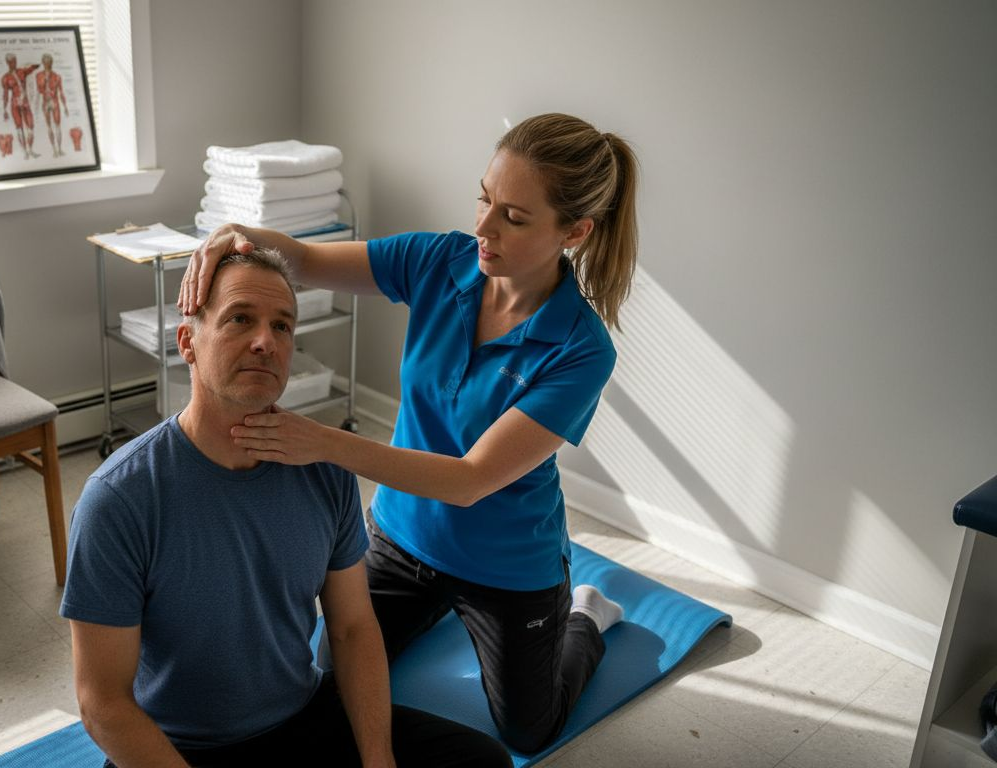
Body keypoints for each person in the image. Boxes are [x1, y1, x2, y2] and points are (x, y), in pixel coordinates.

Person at [178, 113, 638, 754]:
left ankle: (584, 616)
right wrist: (241, 235)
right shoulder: (440, 261)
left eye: (514, 216)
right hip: (402, 538)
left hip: (507, 564)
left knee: (529, 731)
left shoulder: (580, 348)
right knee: (326, 683)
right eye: (484, 198)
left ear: (575, 231)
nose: (483, 226)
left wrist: (323, 442)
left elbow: (473, 479)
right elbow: (306, 260)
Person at [64, 248, 511, 768]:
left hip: (300, 717)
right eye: (240, 319)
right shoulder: (120, 498)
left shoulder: (324, 466)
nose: (265, 342)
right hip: (178, 748)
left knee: (482, 761)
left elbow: (350, 628)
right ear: (188, 341)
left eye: (282, 326)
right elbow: (104, 703)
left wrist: (378, 759)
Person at [0, 53, 40, 159]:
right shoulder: (5, 78)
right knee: (19, 128)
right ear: (8, 63)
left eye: (15, 60)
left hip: (25, 103)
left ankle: (30, 150)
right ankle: (24, 152)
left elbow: (31, 68)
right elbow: (5, 94)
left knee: (31, 126)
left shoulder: (22, 71)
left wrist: (37, 64)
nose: (14, 63)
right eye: (12, 61)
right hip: (15, 104)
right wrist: (4, 109)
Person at [35, 53, 70, 158]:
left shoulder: (57, 77)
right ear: (43, 63)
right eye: (46, 63)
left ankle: (59, 149)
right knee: (49, 126)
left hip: (54, 102)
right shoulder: (39, 76)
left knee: (57, 126)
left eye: (49, 63)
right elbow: (40, 91)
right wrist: (43, 82)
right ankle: (54, 149)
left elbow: (61, 92)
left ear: (52, 63)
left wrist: (65, 106)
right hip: (46, 102)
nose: (48, 65)